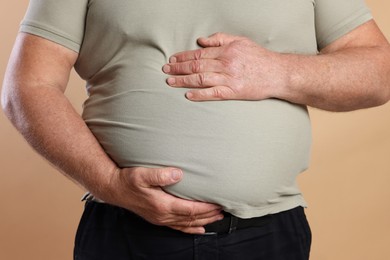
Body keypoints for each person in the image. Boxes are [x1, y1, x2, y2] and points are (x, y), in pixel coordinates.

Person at [2, 0, 389, 259]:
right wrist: (109, 183)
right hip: (126, 231)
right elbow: (27, 87)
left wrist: (278, 70)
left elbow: (379, 72)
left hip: (268, 235)